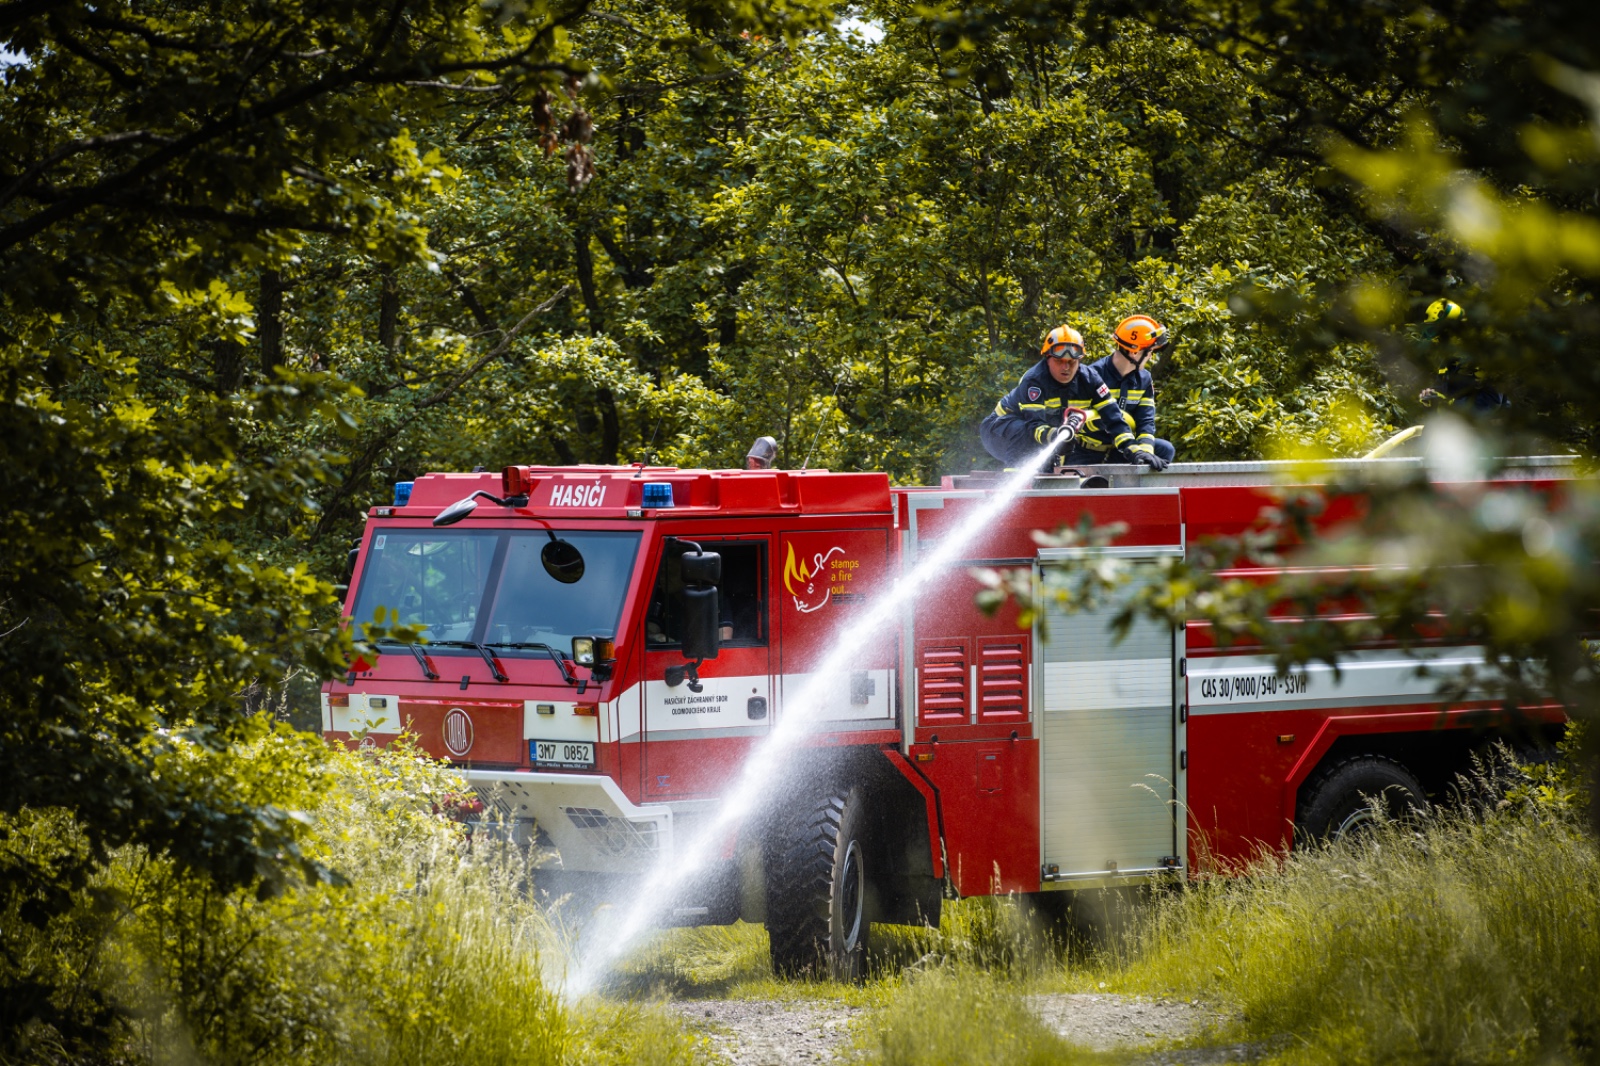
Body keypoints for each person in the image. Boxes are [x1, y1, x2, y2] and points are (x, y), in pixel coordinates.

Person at [980, 325, 1161, 469]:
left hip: (1039, 433)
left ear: (1079, 360)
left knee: (1050, 460)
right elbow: (1034, 426)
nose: (1065, 368)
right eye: (1059, 361)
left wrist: (1134, 450)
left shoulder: (1091, 379)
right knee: (1027, 436)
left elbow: (1114, 419)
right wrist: (1055, 435)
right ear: (1047, 358)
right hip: (998, 431)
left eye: (1072, 362)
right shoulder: (1034, 381)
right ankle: (1017, 487)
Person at [1071, 314, 1176, 468]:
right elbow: (1079, 422)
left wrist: (1145, 452)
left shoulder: (1144, 379)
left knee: (1165, 450)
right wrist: (1109, 421)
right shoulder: (1093, 376)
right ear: (1134, 352)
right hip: (1087, 451)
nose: (1150, 357)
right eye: (1149, 352)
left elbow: (1145, 422)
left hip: (1124, 450)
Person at [1415, 299, 1508, 415]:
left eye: (1441, 336)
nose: (1437, 342)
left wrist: (1449, 406)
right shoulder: (1448, 362)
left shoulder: (1483, 356)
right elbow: (1442, 392)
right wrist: (1430, 397)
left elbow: (1492, 402)